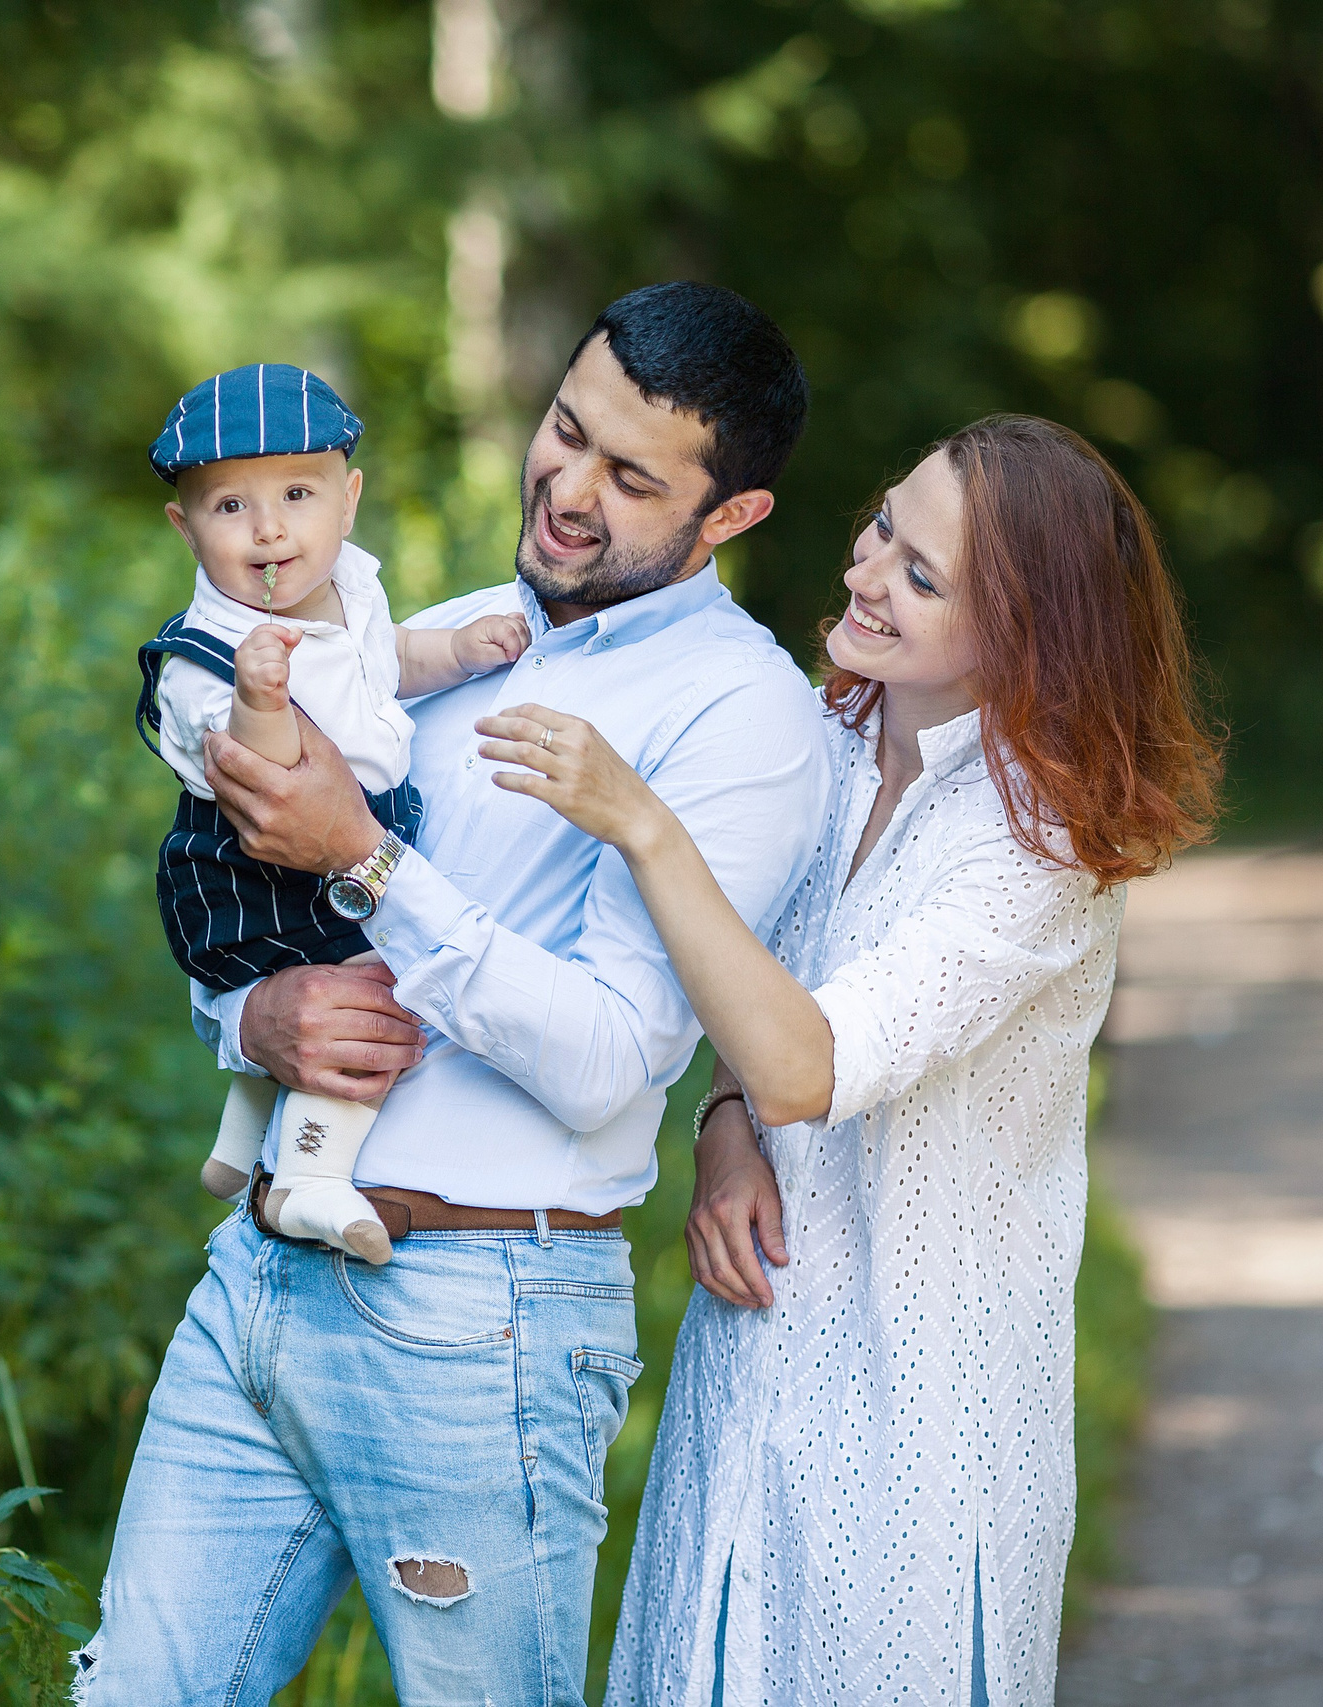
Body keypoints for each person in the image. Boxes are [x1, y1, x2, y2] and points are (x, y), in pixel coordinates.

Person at [74, 282, 832, 1704]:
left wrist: (365, 863)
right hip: (262, 1267)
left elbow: (614, 1058)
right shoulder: (447, 630)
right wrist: (252, 1017)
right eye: (564, 431)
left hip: (479, 1320)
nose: (566, 488)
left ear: (732, 517)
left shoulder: (743, 717)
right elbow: (252, 893)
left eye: (631, 474)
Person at [476, 415, 1221, 1705]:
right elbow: (750, 1019)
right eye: (885, 526)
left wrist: (644, 825)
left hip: (921, 1423)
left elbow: (807, 1067)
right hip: (749, 1362)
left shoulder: (1036, 853)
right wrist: (718, 1123)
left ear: (1026, 636)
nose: (865, 574)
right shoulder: (817, 741)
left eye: (923, 578)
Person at [137, 363, 531, 1264]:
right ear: (186, 528)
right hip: (260, 860)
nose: (270, 526)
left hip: (342, 831)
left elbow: (380, 663)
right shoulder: (206, 659)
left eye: (299, 493)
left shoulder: (350, 588)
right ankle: (313, 1176)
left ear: (347, 502)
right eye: (229, 506)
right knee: (369, 991)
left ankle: (240, 1141)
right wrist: (261, 701)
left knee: (316, 984)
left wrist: (460, 650)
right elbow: (268, 784)